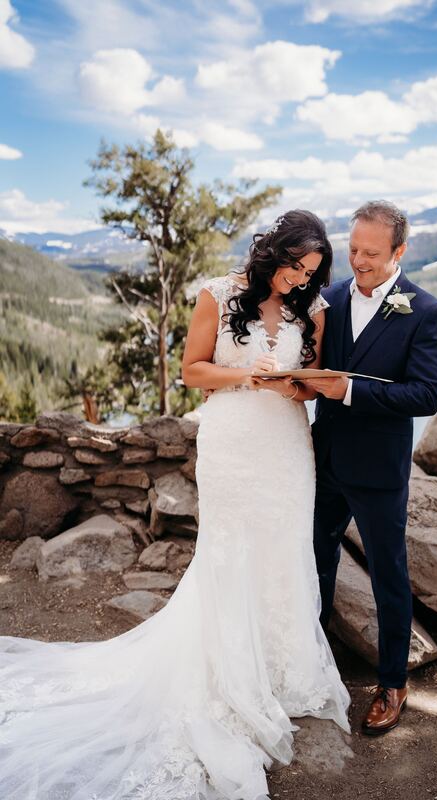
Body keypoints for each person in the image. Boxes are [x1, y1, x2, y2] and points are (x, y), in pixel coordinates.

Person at [0, 209, 350, 800]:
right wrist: (246, 379)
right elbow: (191, 371)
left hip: (287, 446)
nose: (300, 280)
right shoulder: (217, 294)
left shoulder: (311, 309)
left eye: (312, 272)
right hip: (234, 441)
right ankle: (227, 673)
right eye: (295, 268)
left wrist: (292, 383)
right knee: (230, 550)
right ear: (275, 253)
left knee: (284, 548)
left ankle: (281, 668)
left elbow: (309, 379)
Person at [307, 200, 437, 736]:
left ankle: (393, 681)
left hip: (380, 470)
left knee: (389, 575)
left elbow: (425, 393)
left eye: (370, 253)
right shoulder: (332, 298)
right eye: (353, 249)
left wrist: (347, 391)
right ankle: (314, 665)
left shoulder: (426, 311)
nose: (358, 261)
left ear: (399, 252)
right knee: (315, 563)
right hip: (324, 459)